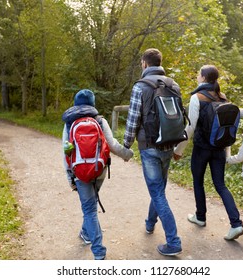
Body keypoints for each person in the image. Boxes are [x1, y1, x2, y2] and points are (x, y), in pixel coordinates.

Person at [173, 65, 243, 241]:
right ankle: (236, 224)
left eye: (199, 74)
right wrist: (228, 154)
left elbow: (190, 126)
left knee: (198, 182)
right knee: (220, 185)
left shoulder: (197, 98)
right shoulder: (223, 98)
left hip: (202, 148)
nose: (197, 76)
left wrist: (178, 150)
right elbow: (227, 130)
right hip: (219, 149)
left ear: (204, 78)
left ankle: (200, 217)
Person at [123, 48, 182, 256]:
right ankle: (150, 222)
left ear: (144, 64)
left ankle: (173, 241)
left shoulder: (140, 87)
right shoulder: (173, 84)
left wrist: (126, 145)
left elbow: (133, 120)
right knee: (159, 191)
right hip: (168, 143)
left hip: (149, 147)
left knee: (157, 192)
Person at [62, 89, 133, 260]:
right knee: (90, 206)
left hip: (79, 172)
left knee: (89, 209)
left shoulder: (70, 123)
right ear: (93, 103)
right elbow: (113, 145)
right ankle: (86, 234)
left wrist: (69, 177)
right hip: (99, 169)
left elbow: (65, 151)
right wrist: (127, 155)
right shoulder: (99, 120)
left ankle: (99, 252)